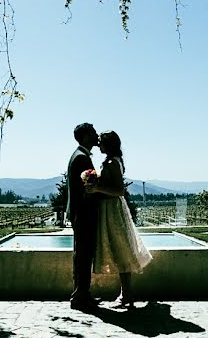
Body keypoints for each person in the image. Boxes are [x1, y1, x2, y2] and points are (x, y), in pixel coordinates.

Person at [87, 130, 152, 308]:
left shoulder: (113, 163)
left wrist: (97, 188)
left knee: (120, 248)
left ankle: (126, 295)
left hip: (113, 209)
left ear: (108, 144)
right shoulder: (111, 161)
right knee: (117, 248)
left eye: (100, 141)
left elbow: (119, 191)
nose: (98, 144)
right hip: (108, 208)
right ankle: (126, 294)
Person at [66, 122, 100, 311]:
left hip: (79, 213)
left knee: (82, 254)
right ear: (86, 136)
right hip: (84, 213)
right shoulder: (82, 159)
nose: (96, 136)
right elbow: (90, 189)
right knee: (84, 255)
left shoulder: (78, 156)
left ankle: (81, 293)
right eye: (93, 133)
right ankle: (80, 296)